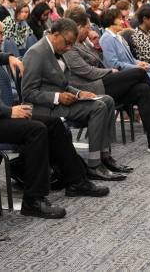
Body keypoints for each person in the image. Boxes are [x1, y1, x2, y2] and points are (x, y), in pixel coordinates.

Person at [0, 16, 108, 219]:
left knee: (52, 124)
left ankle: (76, 181)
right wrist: (9, 112)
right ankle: (33, 199)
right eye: (1, 34)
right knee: (36, 130)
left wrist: (8, 57)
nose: (4, 38)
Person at [21, 18, 130, 181]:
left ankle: (105, 156)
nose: (69, 48)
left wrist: (79, 94)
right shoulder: (36, 53)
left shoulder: (58, 49)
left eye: (72, 44)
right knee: (98, 107)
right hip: (44, 108)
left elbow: (63, 84)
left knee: (107, 100)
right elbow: (28, 93)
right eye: (67, 43)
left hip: (59, 103)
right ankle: (94, 165)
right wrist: (57, 97)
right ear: (56, 35)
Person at [64, 9, 150, 154]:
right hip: (91, 88)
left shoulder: (85, 43)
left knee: (142, 89)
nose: (90, 31)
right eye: (87, 27)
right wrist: (110, 71)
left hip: (103, 82)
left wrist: (96, 48)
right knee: (140, 73)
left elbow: (98, 63)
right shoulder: (70, 47)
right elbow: (87, 72)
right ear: (78, 27)